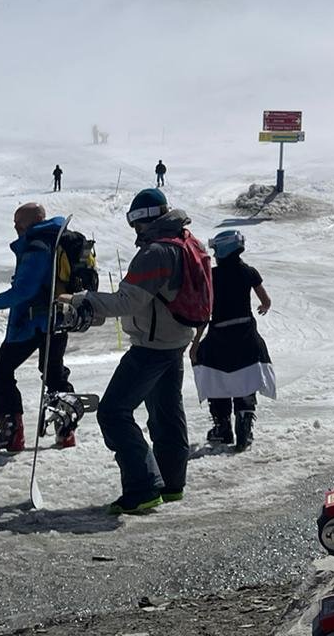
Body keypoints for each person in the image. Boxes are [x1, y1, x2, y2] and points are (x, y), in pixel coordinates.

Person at [65, 188, 210, 515]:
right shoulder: (188, 241)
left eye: (134, 223)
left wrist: (81, 299)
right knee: (166, 414)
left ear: (144, 220)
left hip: (151, 346)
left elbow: (127, 301)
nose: (134, 230)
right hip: (176, 340)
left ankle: (143, 488)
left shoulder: (156, 252)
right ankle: (172, 484)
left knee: (113, 412)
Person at [0, 203, 77, 453]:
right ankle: (66, 430)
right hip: (58, 319)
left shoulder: (37, 245)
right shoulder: (54, 239)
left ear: (31, 222)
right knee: (53, 373)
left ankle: (12, 433)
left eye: (18, 221)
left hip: (31, 323)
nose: (14, 226)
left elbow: (24, 290)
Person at [191, 230, 275, 451]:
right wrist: (263, 307)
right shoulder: (249, 272)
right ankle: (245, 420)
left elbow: (204, 313)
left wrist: (196, 342)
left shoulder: (212, 276)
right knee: (246, 375)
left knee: (215, 376)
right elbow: (265, 300)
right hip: (246, 333)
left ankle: (222, 425)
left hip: (219, 335)